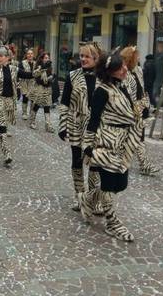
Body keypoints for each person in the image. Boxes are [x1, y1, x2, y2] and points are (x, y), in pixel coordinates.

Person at [78, 49, 139, 242]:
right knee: (108, 184)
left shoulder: (123, 86)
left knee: (120, 184)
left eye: (123, 66)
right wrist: (88, 145)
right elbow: (93, 120)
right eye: (119, 67)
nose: (124, 69)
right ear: (109, 71)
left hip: (124, 143)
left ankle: (87, 199)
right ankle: (112, 223)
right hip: (107, 142)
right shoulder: (101, 92)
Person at [58, 43, 101, 213]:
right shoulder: (72, 75)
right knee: (77, 160)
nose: (83, 59)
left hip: (97, 126)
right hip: (76, 124)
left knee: (96, 162)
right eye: (81, 56)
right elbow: (64, 103)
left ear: (96, 58)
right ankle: (79, 195)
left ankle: (93, 198)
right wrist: (63, 126)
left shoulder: (104, 77)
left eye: (87, 56)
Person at [121, 46, 159, 176]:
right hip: (128, 110)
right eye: (136, 56)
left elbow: (142, 88)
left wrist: (145, 105)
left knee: (139, 137)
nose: (138, 58)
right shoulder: (123, 72)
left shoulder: (138, 70)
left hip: (140, 107)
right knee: (129, 137)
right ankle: (124, 162)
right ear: (130, 58)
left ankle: (144, 164)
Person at [29, 52, 55, 133]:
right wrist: (42, 68)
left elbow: (50, 77)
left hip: (47, 89)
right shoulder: (39, 67)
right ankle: (32, 122)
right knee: (36, 105)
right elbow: (34, 74)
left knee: (47, 107)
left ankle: (48, 125)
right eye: (46, 58)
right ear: (42, 59)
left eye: (48, 58)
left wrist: (52, 77)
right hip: (39, 89)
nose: (47, 59)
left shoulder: (50, 67)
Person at [18, 49, 36, 120]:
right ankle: (24, 113)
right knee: (25, 97)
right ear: (26, 55)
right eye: (28, 54)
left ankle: (31, 113)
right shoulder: (22, 63)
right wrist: (31, 75)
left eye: (31, 53)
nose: (30, 55)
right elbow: (20, 73)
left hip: (33, 84)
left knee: (32, 99)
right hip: (24, 83)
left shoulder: (36, 63)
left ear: (33, 55)